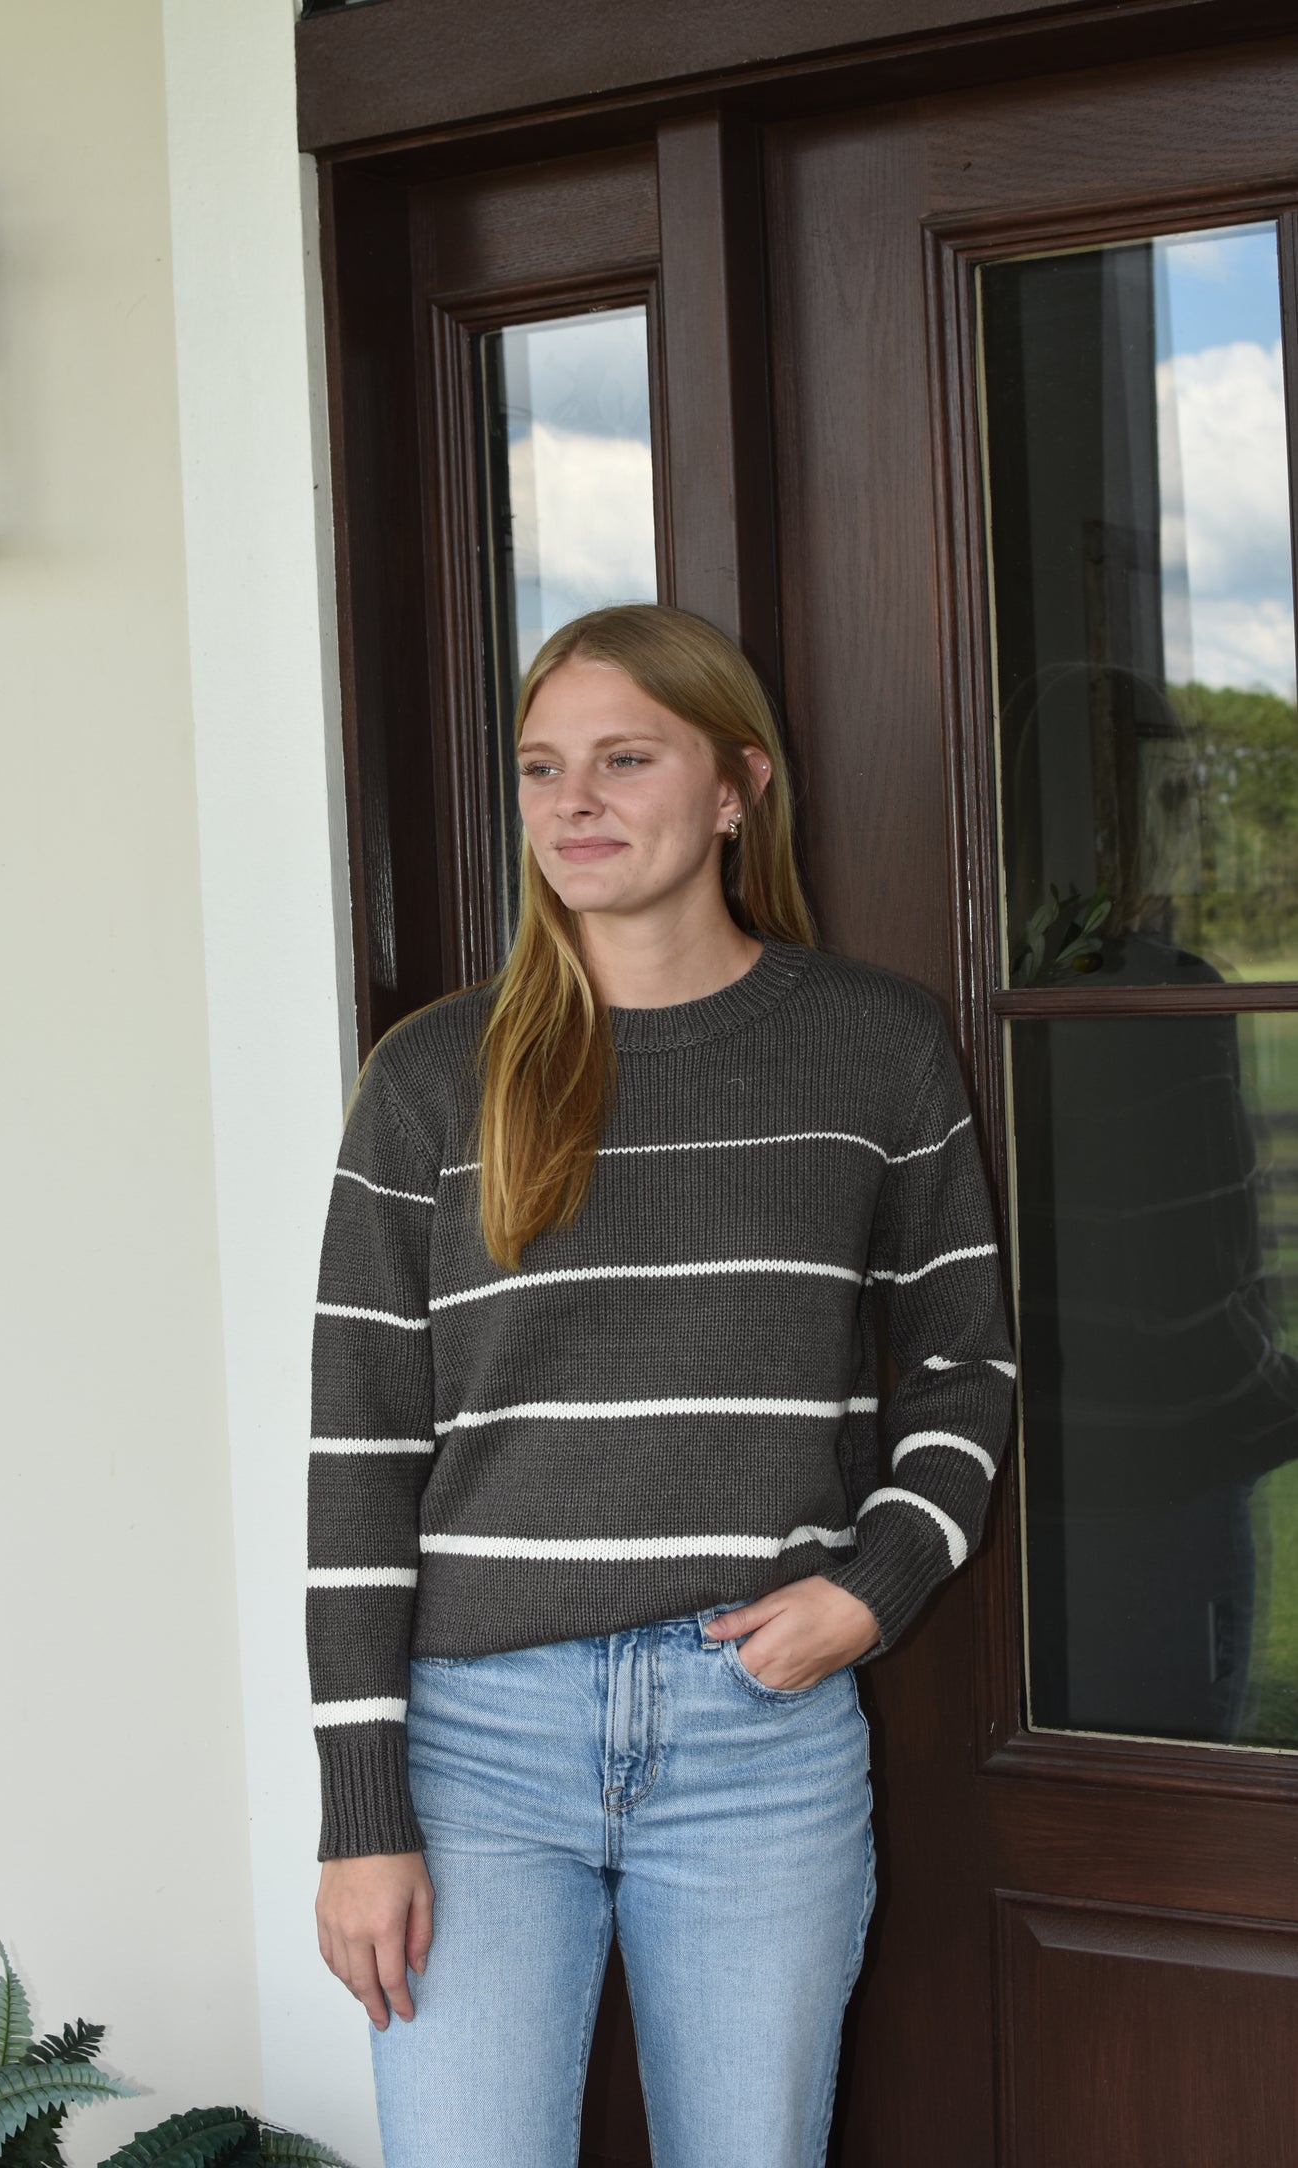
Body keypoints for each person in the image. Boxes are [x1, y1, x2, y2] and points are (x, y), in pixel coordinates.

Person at [307, 602, 1015, 2167]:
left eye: (624, 759)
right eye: (542, 766)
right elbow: (357, 1454)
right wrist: (361, 1810)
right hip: (474, 1744)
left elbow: (967, 1365)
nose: (573, 802)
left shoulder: (871, 1049)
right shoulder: (431, 1076)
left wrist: (872, 1587)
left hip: (754, 1732)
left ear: (732, 785)